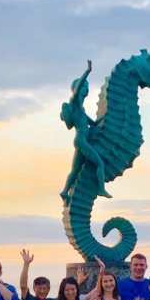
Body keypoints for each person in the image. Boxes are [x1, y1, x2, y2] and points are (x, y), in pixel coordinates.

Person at [60, 59, 111, 203]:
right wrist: (87, 71)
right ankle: (101, 189)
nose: (87, 88)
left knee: (75, 171)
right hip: (81, 141)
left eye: (88, 86)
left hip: (80, 142)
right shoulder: (74, 104)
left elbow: (94, 124)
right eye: (85, 86)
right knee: (100, 164)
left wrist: (107, 114)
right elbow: (77, 89)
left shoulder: (81, 110)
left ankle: (64, 192)